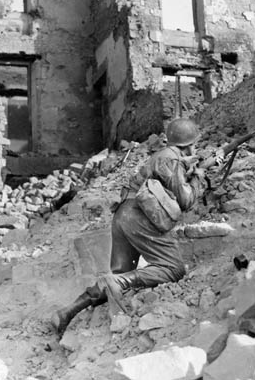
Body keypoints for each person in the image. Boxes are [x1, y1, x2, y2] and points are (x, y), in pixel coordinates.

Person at [52, 118, 207, 333]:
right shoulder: (172, 160)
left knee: (117, 274)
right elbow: (186, 200)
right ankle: (121, 282)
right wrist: (199, 176)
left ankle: (68, 312)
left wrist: (190, 170)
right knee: (174, 269)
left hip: (124, 214)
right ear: (189, 144)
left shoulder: (162, 157)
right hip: (139, 218)